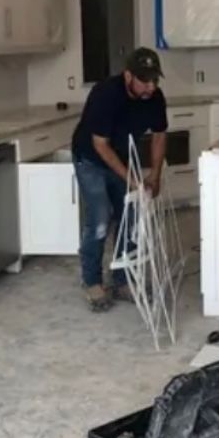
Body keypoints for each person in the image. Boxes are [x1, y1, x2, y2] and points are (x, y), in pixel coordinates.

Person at [71, 48, 168, 312]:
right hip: (90, 159)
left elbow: (159, 136)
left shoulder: (155, 97)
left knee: (130, 214)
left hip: (121, 158)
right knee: (100, 218)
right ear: (128, 76)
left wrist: (154, 175)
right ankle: (91, 281)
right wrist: (133, 180)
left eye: (154, 80)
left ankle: (123, 280)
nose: (150, 87)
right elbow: (100, 145)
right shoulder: (106, 94)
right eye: (144, 80)